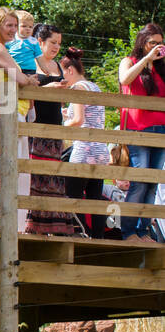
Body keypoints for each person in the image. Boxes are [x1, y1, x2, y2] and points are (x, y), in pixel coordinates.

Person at [0, 7, 40, 232]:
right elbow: (19, 77)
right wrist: (30, 79)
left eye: (15, 25)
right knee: (5, 172)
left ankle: (8, 227)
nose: (14, 30)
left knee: (13, 171)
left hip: (8, 109)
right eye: (9, 26)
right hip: (6, 110)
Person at [24, 24, 79, 236]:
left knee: (53, 179)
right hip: (37, 126)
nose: (57, 47)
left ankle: (50, 227)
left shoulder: (57, 64)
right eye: (53, 42)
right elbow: (25, 90)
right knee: (36, 178)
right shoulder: (31, 63)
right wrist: (48, 89)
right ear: (40, 42)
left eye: (59, 43)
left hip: (55, 126)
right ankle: (31, 227)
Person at [117, 23, 165, 241]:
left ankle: (143, 229)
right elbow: (125, 79)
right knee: (140, 180)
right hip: (138, 130)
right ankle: (128, 230)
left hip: (161, 130)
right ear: (142, 42)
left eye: (160, 43)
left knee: (153, 182)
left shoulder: (162, 67)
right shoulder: (130, 61)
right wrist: (147, 60)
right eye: (151, 42)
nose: (156, 47)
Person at [62, 47, 109, 239]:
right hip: (100, 150)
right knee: (95, 198)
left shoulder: (77, 88)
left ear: (70, 70)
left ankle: (80, 233)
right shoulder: (94, 86)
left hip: (83, 149)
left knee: (72, 196)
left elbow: (79, 120)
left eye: (63, 72)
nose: (62, 77)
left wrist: (63, 123)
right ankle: (98, 237)